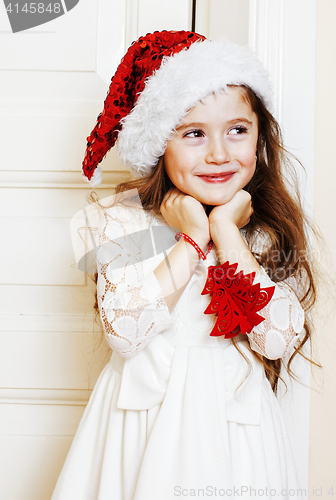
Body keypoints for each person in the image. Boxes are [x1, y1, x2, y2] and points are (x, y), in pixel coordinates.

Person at [52, 30, 316, 500]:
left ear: (259, 136)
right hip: (139, 424)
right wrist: (193, 239)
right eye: (194, 133)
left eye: (238, 130)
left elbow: (277, 338)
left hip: (236, 436)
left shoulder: (265, 230)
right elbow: (126, 331)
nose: (219, 153)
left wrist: (228, 236)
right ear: (158, 143)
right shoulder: (122, 220)